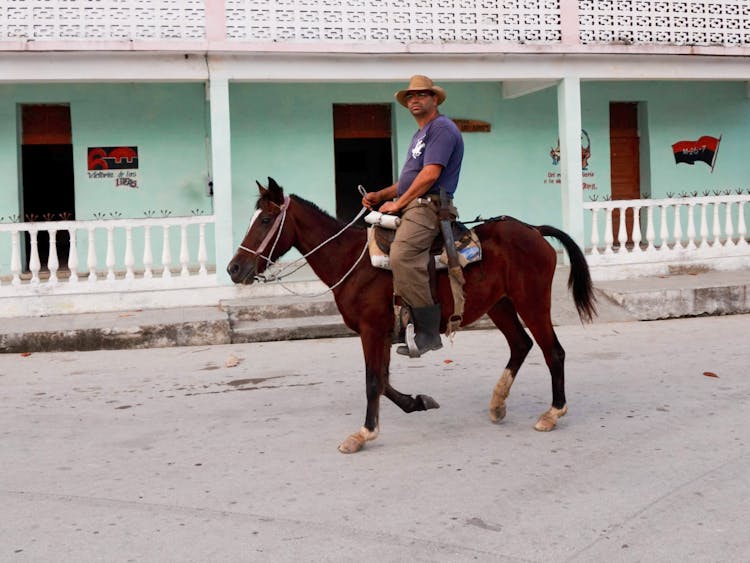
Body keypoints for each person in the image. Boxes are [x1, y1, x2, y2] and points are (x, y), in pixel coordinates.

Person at [362, 75, 464, 357]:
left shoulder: (441, 128)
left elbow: (431, 174)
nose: (414, 100)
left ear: (434, 99)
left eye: (421, 95)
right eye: (410, 96)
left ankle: (428, 333)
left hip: (428, 206)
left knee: (402, 255)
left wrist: (398, 204)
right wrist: (382, 196)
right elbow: (408, 180)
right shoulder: (420, 134)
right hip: (413, 202)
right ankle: (397, 319)